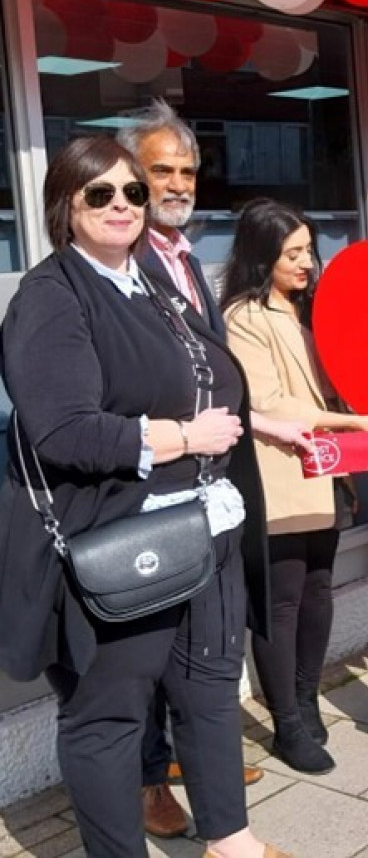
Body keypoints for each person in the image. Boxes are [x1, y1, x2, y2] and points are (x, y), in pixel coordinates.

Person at [0, 136, 288, 858]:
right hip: (125, 539)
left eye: (133, 191)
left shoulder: (152, 280)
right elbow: (64, 429)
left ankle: (231, 837)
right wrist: (186, 438)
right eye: (100, 193)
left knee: (209, 687)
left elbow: (200, 383)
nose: (122, 204)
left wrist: (261, 425)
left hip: (204, 526)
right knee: (109, 716)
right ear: (65, 207)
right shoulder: (52, 294)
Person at [119, 102, 304, 836]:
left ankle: (203, 765)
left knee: (202, 648)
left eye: (186, 170)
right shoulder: (116, 260)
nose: (176, 182)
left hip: (212, 490)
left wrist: (262, 423)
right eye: (159, 169)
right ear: (127, 176)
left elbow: (205, 371)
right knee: (148, 655)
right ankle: (146, 785)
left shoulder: (189, 256)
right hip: (150, 491)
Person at [221, 199, 368, 774]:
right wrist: (352, 423)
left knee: (320, 590)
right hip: (280, 476)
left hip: (327, 474)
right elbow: (268, 402)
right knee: (284, 600)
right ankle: (286, 721)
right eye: (292, 253)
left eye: (309, 251)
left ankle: (306, 694)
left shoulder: (310, 311)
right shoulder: (244, 317)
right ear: (261, 255)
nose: (307, 263)